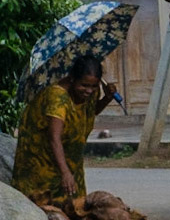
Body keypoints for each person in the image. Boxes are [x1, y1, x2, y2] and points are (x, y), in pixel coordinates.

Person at [12, 55, 117, 205]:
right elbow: (54, 137)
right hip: (43, 164)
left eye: (94, 86)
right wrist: (65, 173)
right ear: (72, 78)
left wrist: (107, 98)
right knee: (46, 210)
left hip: (70, 160)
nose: (88, 90)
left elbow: (88, 112)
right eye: (84, 85)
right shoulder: (57, 97)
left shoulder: (92, 92)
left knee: (75, 210)